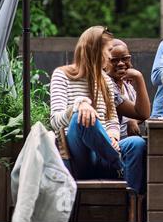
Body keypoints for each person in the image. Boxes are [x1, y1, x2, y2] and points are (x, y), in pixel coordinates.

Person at [50, 26, 146, 194]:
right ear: (95, 50)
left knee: (136, 143)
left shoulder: (106, 81)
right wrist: (79, 105)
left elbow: (112, 120)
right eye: (108, 50)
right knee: (83, 116)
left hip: (102, 154)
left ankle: (131, 202)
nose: (110, 56)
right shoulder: (62, 74)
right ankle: (118, 163)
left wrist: (114, 136)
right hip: (78, 156)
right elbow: (55, 121)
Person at [106, 39, 150, 139]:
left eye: (125, 58)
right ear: (105, 62)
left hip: (127, 139)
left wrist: (134, 120)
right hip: (113, 141)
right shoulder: (106, 85)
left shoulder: (126, 84)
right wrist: (139, 78)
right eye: (114, 60)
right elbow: (143, 113)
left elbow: (142, 110)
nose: (121, 63)